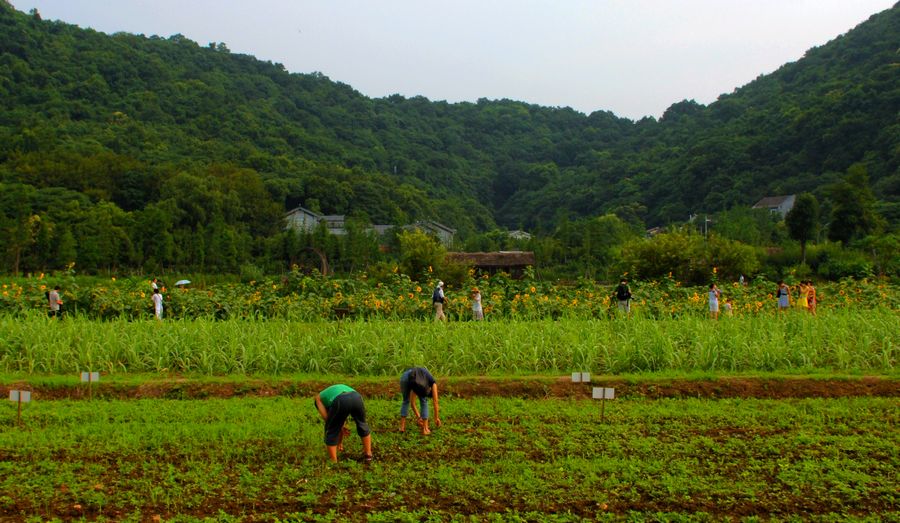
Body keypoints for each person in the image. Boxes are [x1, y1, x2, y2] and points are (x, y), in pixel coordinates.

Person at [313, 384, 372, 463]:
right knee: (362, 424)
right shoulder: (328, 394)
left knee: (331, 430)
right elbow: (340, 420)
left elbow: (330, 422)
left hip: (341, 400)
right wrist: (340, 441)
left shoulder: (318, 400)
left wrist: (338, 429)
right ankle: (368, 454)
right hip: (356, 397)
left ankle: (333, 462)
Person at [399, 367, 442, 435]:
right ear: (429, 389)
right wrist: (436, 418)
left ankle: (402, 427)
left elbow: (412, 403)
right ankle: (425, 429)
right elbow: (435, 402)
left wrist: (419, 417)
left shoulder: (421, 379)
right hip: (412, 377)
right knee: (424, 401)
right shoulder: (433, 383)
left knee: (406, 401)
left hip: (405, 377)